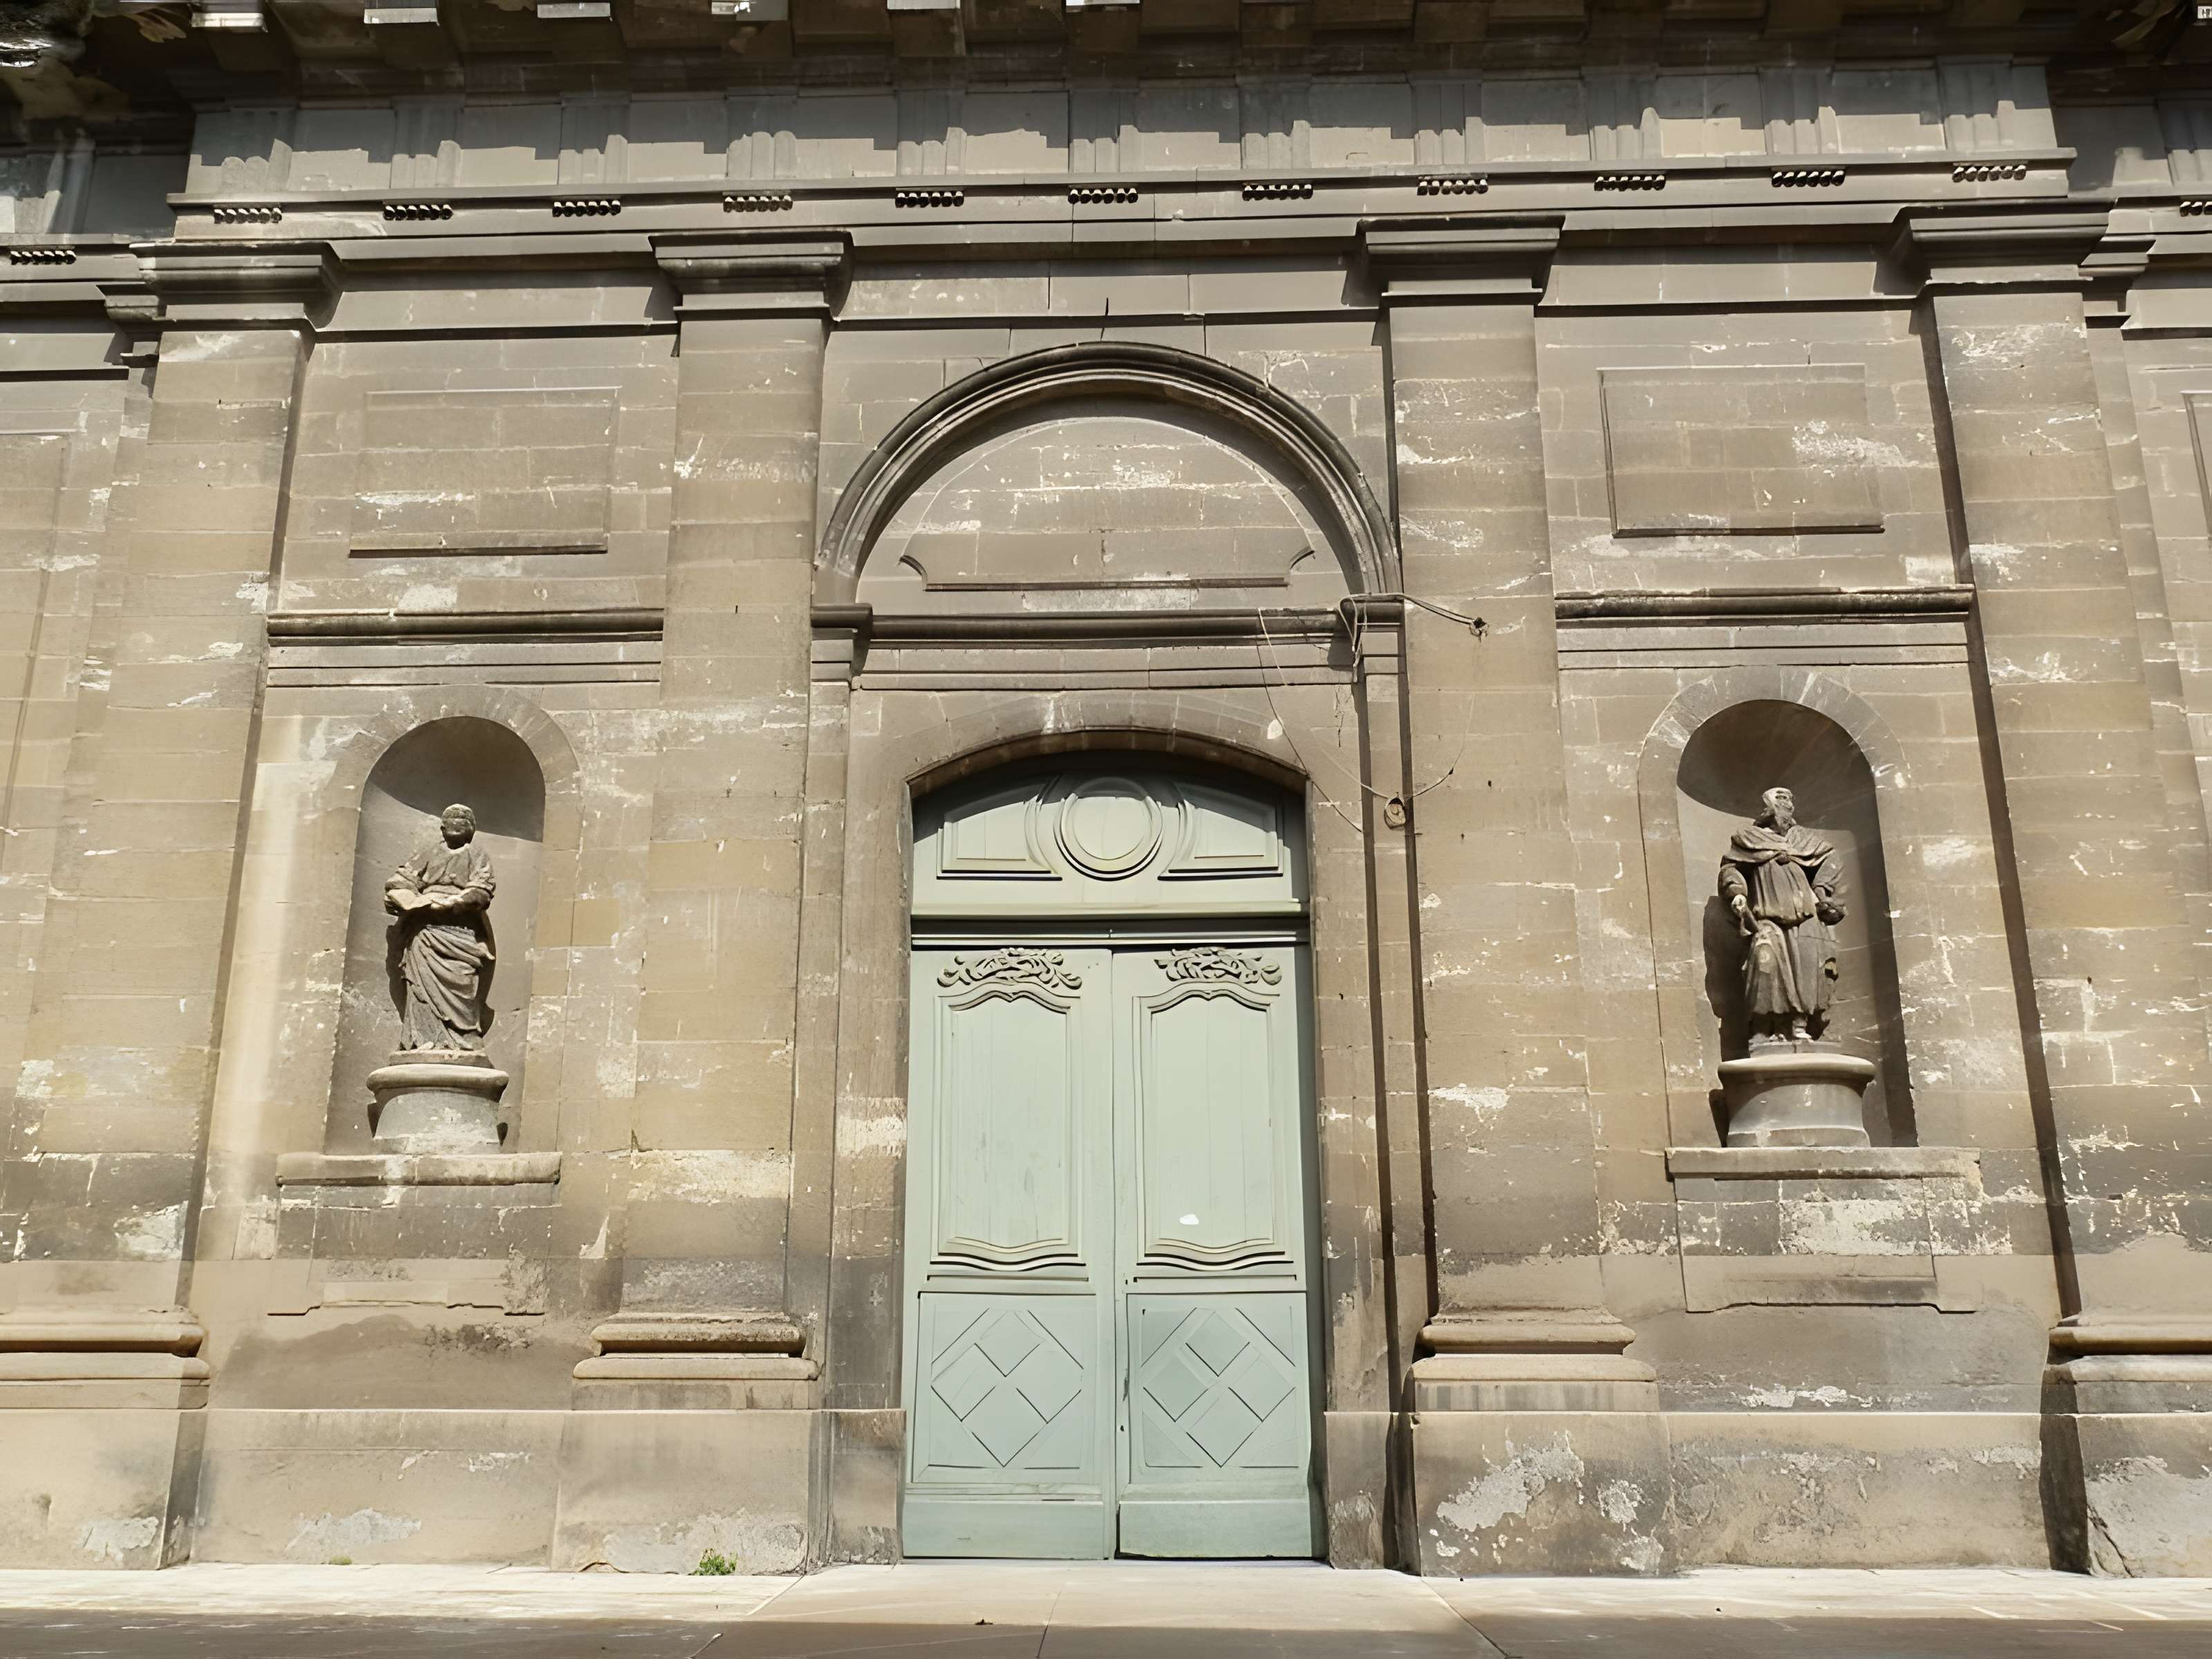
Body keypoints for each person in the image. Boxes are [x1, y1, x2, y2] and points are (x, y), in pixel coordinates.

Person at [1718, 786, 1844, 1047]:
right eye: (1781, 798)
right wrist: (1737, 892)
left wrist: (1822, 890)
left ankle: (1800, 1025)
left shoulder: (1806, 842)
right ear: (1767, 806)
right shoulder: (1749, 838)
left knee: (1808, 971)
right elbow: (1731, 869)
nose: (1787, 804)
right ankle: (1762, 1029)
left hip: (1806, 918)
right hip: (1768, 918)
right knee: (1764, 963)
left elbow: (1831, 860)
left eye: (1790, 799)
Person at [385, 803, 497, 1051]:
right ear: (443, 828)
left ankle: (464, 1039)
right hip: (425, 930)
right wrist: (407, 898)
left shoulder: (476, 854)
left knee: (462, 981)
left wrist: (457, 901)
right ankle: (424, 1038)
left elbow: (483, 887)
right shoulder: (429, 852)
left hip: (461, 929)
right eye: (452, 820)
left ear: (472, 830)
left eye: (464, 820)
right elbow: (401, 880)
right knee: (421, 989)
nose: (458, 823)